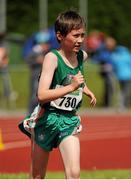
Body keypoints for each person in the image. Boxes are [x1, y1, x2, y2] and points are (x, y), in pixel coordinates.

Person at [19, 10, 96, 179]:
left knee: (74, 173)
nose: (80, 40)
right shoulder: (51, 58)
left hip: (69, 119)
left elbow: (75, 77)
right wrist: (72, 87)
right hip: (47, 119)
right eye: (75, 36)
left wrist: (85, 88)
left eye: (83, 35)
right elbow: (42, 95)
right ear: (60, 36)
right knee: (37, 176)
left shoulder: (82, 56)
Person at [25, 31, 50, 115]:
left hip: (44, 78)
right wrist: (37, 61)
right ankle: (30, 114)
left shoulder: (46, 52)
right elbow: (28, 61)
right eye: (46, 43)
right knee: (34, 97)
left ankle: (41, 114)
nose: (47, 45)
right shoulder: (35, 51)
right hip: (35, 76)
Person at [0, 32, 13, 106]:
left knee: (6, 81)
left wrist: (4, 63)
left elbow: (6, 56)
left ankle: (7, 94)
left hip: (3, 66)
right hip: (2, 65)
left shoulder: (5, 45)